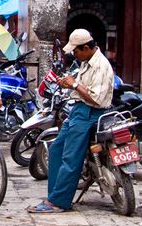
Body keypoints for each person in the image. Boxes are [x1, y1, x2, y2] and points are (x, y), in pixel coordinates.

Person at [28, 29, 114, 213]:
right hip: (79, 110)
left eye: (76, 51)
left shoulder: (100, 65)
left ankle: (60, 201)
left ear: (86, 48)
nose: (74, 54)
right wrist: (68, 82)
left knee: (71, 157)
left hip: (91, 112)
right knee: (57, 148)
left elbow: (96, 99)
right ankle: (55, 196)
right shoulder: (86, 62)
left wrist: (74, 85)